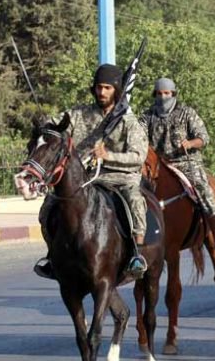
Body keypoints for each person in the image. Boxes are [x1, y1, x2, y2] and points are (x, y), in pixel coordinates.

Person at [34, 64, 148, 279]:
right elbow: (56, 125)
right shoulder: (78, 114)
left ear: (116, 89)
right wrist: (45, 123)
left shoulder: (127, 121)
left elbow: (138, 156)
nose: (102, 92)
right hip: (84, 178)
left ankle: (136, 253)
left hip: (119, 177)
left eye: (107, 88)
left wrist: (109, 156)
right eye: (98, 87)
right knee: (48, 207)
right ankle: (52, 255)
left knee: (135, 201)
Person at [141, 77, 215, 249]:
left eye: (167, 93)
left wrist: (190, 143)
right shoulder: (148, 116)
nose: (163, 97)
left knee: (203, 187)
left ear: (173, 94)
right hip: (159, 164)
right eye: (159, 94)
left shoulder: (186, 113)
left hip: (186, 161)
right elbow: (138, 136)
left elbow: (204, 137)